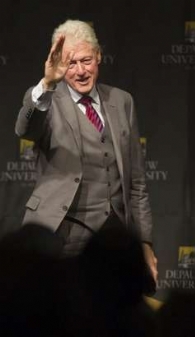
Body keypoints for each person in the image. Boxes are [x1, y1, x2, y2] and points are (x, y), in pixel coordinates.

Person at [15, 19, 158, 282]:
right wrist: (47, 84)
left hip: (112, 237)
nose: (80, 71)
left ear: (99, 56)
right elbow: (25, 129)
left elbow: (136, 181)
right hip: (60, 231)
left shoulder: (122, 101)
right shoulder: (46, 99)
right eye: (71, 63)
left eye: (86, 60)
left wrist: (145, 244)